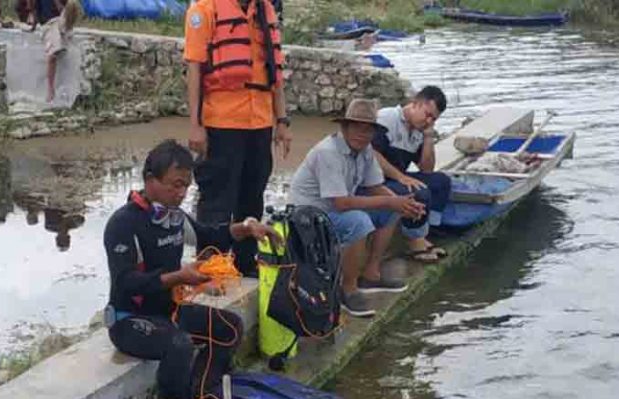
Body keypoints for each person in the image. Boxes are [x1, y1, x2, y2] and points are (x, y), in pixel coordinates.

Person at [104, 140, 282, 399]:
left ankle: (200, 397)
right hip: (129, 320)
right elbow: (125, 282)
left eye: (186, 186)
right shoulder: (123, 224)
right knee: (180, 344)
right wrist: (180, 277)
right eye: (175, 185)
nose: (181, 193)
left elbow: (210, 234)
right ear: (150, 180)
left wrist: (248, 228)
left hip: (168, 311)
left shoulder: (175, 217)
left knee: (230, 327)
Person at [288, 99, 426, 318]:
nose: (362, 134)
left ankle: (370, 274)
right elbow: (341, 203)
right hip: (306, 217)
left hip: (331, 211)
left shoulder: (366, 150)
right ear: (344, 128)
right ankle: (347, 290)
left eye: (368, 130)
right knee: (359, 221)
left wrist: (403, 203)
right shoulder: (328, 151)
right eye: (357, 128)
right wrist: (391, 201)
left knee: (391, 208)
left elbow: (374, 186)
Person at [184, 0, 293, 277]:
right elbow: (194, 71)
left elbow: (274, 74)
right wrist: (195, 125)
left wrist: (282, 121)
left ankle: (246, 264)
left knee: (252, 198)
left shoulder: (265, 11)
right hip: (221, 122)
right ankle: (210, 267)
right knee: (217, 201)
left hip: (260, 123)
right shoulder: (204, 11)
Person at [372, 86, 451, 262]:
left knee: (441, 182)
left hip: (396, 177)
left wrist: (429, 137)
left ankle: (427, 233)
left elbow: (427, 169)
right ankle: (415, 241)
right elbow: (372, 154)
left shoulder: (419, 130)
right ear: (415, 104)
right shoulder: (388, 118)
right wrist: (400, 176)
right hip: (375, 180)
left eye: (434, 119)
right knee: (419, 192)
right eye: (427, 114)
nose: (428, 121)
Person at [19, 0, 80, 102]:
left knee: (72, 5)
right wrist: (33, 25)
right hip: (49, 25)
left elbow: (66, 8)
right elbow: (33, 9)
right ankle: (50, 89)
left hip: (61, 20)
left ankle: (64, 36)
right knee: (52, 54)